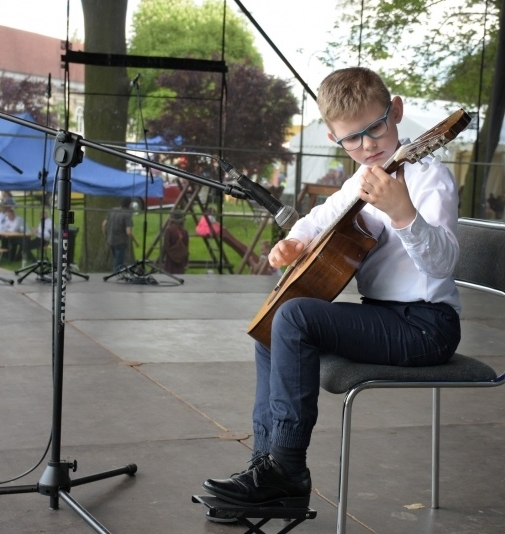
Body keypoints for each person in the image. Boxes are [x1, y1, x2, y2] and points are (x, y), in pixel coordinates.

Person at [201, 67, 462, 509]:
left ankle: (287, 469)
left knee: (296, 317)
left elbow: (443, 263)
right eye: (351, 139)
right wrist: (293, 243)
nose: (367, 146)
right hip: (383, 316)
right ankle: (265, 465)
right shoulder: (360, 180)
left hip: (427, 326)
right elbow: (318, 219)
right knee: (273, 324)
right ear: (333, 139)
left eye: (375, 128)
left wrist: (404, 215)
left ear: (395, 111)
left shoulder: (427, 179)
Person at [102, 197, 138, 273]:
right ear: (129, 204)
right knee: (119, 263)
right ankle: (116, 275)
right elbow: (128, 232)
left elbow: (104, 224)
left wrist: (106, 236)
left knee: (117, 259)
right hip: (121, 241)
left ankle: (119, 272)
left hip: (111, 240)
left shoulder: (113, 210)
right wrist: (136, 241)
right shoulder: (127, 214)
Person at [159, 210, 189, 274]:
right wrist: (186, 262)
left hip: (170, 262)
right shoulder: (185, 232)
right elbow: (186, 248)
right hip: (181, 261)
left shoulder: (169, 230)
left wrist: (161, 259)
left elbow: (166, 246)